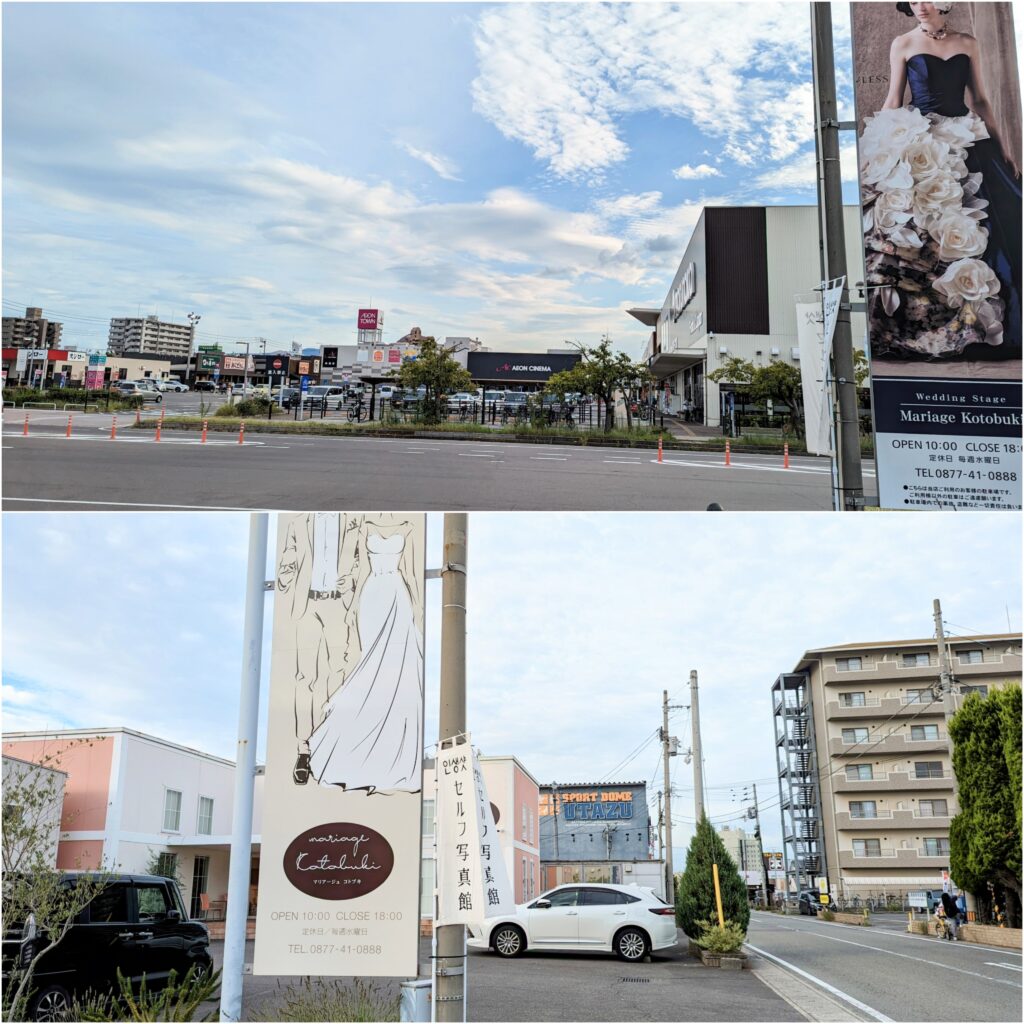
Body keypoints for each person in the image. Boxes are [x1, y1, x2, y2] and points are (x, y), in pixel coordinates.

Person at [859, 1, 1021, 362]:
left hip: (967, 136)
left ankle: (996, 323)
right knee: (928, 230)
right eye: (913, 1)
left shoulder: (968, 41)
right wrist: (880, 147)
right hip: (922, 138)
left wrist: (1004, 147)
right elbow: (893, 100)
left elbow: (980, 99)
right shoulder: (902, 43)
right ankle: (934, 327)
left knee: (996, 222)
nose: (920, 6)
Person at [307, 515, 423, 794]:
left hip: (397, 593)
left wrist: (417, 612)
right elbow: (358, 571)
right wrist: (351, 609)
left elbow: (412, 573)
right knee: (370, 660)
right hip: (373, 594)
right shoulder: (365, 527)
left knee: (398, 664)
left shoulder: (409, 527)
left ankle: (390, 754)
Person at [276, 513, 363, 785]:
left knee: (338, 676)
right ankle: (304, 748)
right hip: (307, 605)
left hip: (338, 604)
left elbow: (361, 558)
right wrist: (284, 575)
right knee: (306, 678)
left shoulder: (354, 519)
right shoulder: (299, 521)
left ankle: (333, 745)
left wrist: (352, 580)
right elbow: (289, 557)